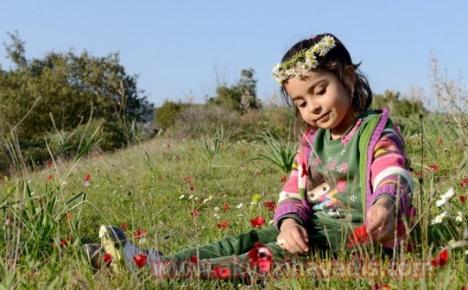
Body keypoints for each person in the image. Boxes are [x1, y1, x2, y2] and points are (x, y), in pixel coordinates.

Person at [84, 33, 415, 280]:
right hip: (312, 230)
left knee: (267, 257)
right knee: (245, 240)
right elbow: (293, 191)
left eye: (320, 91)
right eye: (300, 102)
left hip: (358, 239)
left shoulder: (375, 134)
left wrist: (384, 204)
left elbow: (392, 174)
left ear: (347, 78)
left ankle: (168, 270)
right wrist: (288, 222)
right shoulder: (313, 142)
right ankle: (148, 260)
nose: (312, 107)